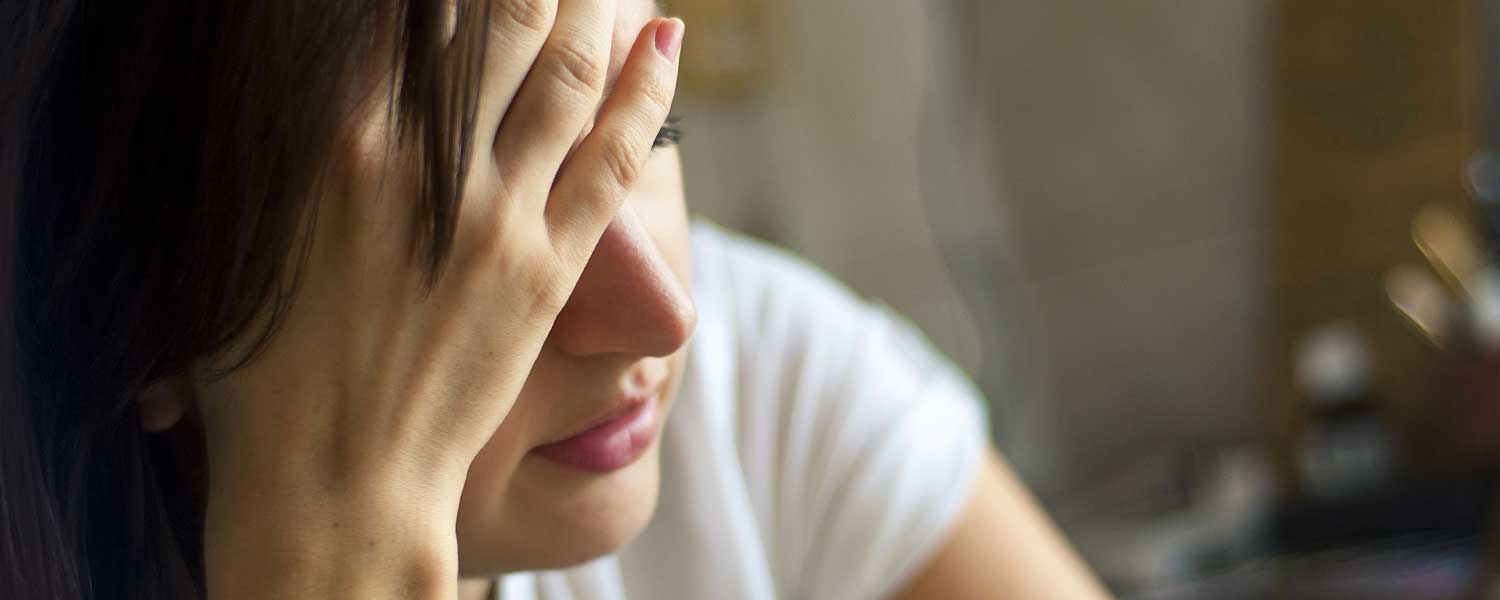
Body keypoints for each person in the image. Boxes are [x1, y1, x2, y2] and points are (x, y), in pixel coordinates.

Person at [0, 0, 1110, 598]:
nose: (664, 312)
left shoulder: (757, 387)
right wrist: (331, 559)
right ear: (148, 327)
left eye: (646, 136)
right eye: (461, 231)